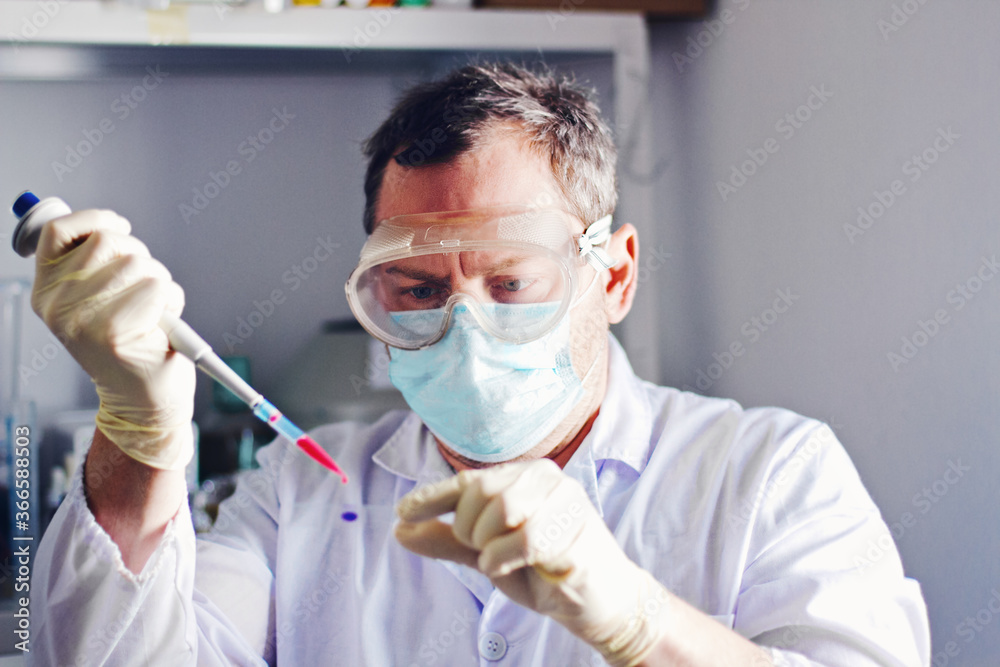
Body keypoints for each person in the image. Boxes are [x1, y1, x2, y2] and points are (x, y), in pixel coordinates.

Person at [29, 63, 929, 666]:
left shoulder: (770, 475)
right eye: (419, 289)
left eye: (511, 281)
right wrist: (137, 432)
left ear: (614, 275)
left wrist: (642, 622)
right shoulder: (300, 493)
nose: (466, 327)